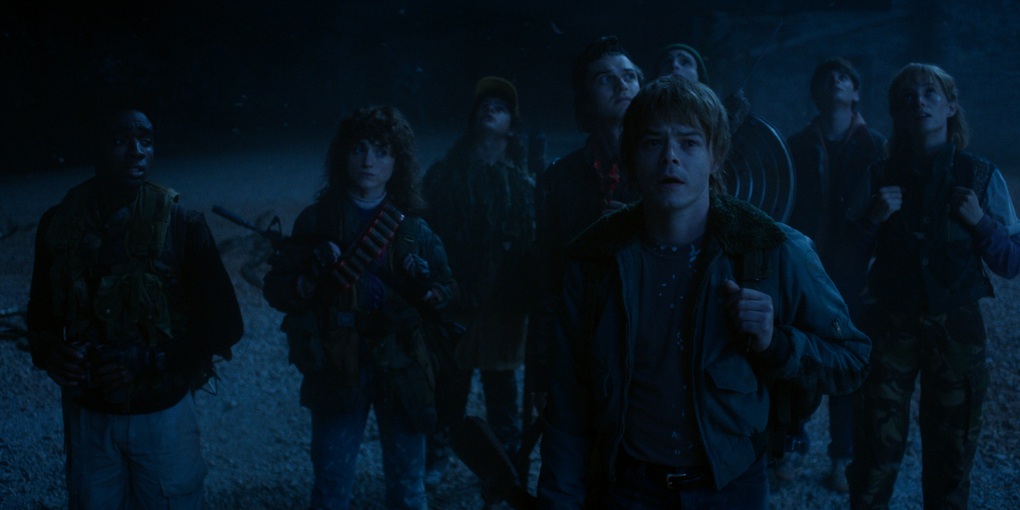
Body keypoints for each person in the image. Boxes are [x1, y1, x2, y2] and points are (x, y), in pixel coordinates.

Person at [536, 75, 871, 509]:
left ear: (716, 157)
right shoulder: (595, 260)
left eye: (689, 142)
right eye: (653, 142)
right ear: (632, 157)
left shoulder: (773, 249)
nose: (670, 157)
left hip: (732, 488)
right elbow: (568, 401)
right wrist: (559, 500)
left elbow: (852, 359)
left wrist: (775, 342)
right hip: (626, 488)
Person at [26, 104, 244, 509]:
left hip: (161, 417)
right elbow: (40, 316)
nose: (137, 151)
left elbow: (227, 325)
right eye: (120, 140)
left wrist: (148, 360)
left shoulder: (181, 223)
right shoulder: (58, 223)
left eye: (145, 141)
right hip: (89, 416)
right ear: (95, 148)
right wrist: (52, 353)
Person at [263, 105, 457, 510]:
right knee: (331, 485)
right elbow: (278, 289)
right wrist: (310, 276)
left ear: (397, 162)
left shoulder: (412, 229)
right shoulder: (317, 221)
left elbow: (448, 289)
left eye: (382, 151)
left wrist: (427, 288)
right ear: (343, 156)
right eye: (359, 149)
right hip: (339, 362)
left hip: (400, 361)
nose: (369, 161)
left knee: (408, 488)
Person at [847, 63, 1020, 510]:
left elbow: (1010, 262)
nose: (918, 102)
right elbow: (845, 263)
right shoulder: (878, 177)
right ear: (896, 112)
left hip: (957, 335)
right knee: (873, 458)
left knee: (952, 460)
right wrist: (872, 220)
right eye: (907, 96)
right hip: (887, 329)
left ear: (951, 105)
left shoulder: (980, 176)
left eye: (930, 93)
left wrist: (981, 223)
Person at [422, 77, 535, 479]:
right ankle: (438, 453)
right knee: (450, 383)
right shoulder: (444, 176)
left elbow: (531, 244)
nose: (490, 109)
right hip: (455, 297)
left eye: (500, 108)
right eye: (484, 105)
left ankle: (505, 467)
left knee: (501, 386)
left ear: (511, 125)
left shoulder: (523, 183)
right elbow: (425, 231)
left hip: (504, 302)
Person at [783, 57, 887, 492]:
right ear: (815, 92)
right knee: (797, 355)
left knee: (845, 359)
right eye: (826, 77)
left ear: (856, 92)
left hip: (852, 268)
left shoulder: (875, 146)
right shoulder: (797, 145)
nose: (835, 82)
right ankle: (792, 445)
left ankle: (843, 455)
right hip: (805, 266)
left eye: (844, 77)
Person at [527, 35, 644, 413]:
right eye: (605, 79)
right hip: (581, 338)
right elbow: (548, 274)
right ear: (585, 100)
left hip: (648, 338)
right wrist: (540, 371)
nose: (622, 85)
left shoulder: (665, 165)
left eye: (629, 76)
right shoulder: (563, 177)